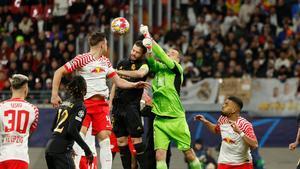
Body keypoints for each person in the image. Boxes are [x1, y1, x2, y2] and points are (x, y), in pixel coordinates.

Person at [51, 31, 149, 169]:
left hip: (101, 105)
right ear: (102, 45)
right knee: (80, 137)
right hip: (84, 104)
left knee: (105, 139)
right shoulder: (82, 59)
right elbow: (59, 72)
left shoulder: (105, 61)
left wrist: (134, 84)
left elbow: (118, 81)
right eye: (107, 44)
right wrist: (54, 95)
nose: (107, 46)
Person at [140, 25, 202, 169]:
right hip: (160, 119)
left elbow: (160, 54)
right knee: (159, 156)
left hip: (176, 118)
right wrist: (149, 49)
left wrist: (148, 36)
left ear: (178, 60)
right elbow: (150, 61)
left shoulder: (176, 70)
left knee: (188, 153)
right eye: (168, 52)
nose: (168, 54)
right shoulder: (159, 69)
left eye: (172, 53)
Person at [110, 40, 149, 169]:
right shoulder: (122, 62)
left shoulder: (144, 64)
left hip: (132, 106)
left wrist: (118, 72)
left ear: (142, 54)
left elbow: (139, 74)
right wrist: (110, 102)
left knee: (136, 141)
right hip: (117, 106)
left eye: (137, 52)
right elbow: (115, 83)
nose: (134, 53)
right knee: (121, 141)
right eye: (133, 50)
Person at [194, 96, 258, 169]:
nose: (223, 106)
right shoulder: (222, 119)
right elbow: (216, 130)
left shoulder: (245, 124)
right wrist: (205, 121)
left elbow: (254, 145)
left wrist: (240, 132)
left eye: (226, 104)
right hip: (224, 163)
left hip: (243, 164)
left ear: (234, 110)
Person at [45, 75, 93, 169]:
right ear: (84, 89)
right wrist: (87, 149)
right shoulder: (80, 106)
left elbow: (53, 127)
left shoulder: (64, 103)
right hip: (61, 151)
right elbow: (71, 130)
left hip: (50, 148)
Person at [0, 74, 39, 169]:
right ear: (26, 88)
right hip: (20, 157)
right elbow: (30, 133)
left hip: (2, 157)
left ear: (11, 88)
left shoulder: (1, 107)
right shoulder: (34, 110)